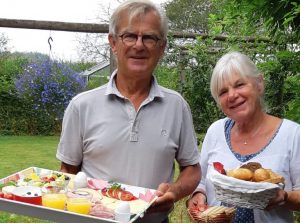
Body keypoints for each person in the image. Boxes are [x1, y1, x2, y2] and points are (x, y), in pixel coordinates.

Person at [56, 0, 201, 222]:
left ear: (162, 47)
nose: (139, 45)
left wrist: (174, 191)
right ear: (113, 42)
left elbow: (192, 168)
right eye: (130, 36)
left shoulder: (176, 106)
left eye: (149, 37)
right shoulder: (81, 106)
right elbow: (67, 170)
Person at [187, 51, 300, 223]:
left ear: (259, 84)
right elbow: (201, 180)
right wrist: (198, 193)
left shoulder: (292, 134)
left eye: (239, 85)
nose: (232, 95)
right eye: (223, 92)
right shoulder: (215, 131)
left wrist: (284, 197)